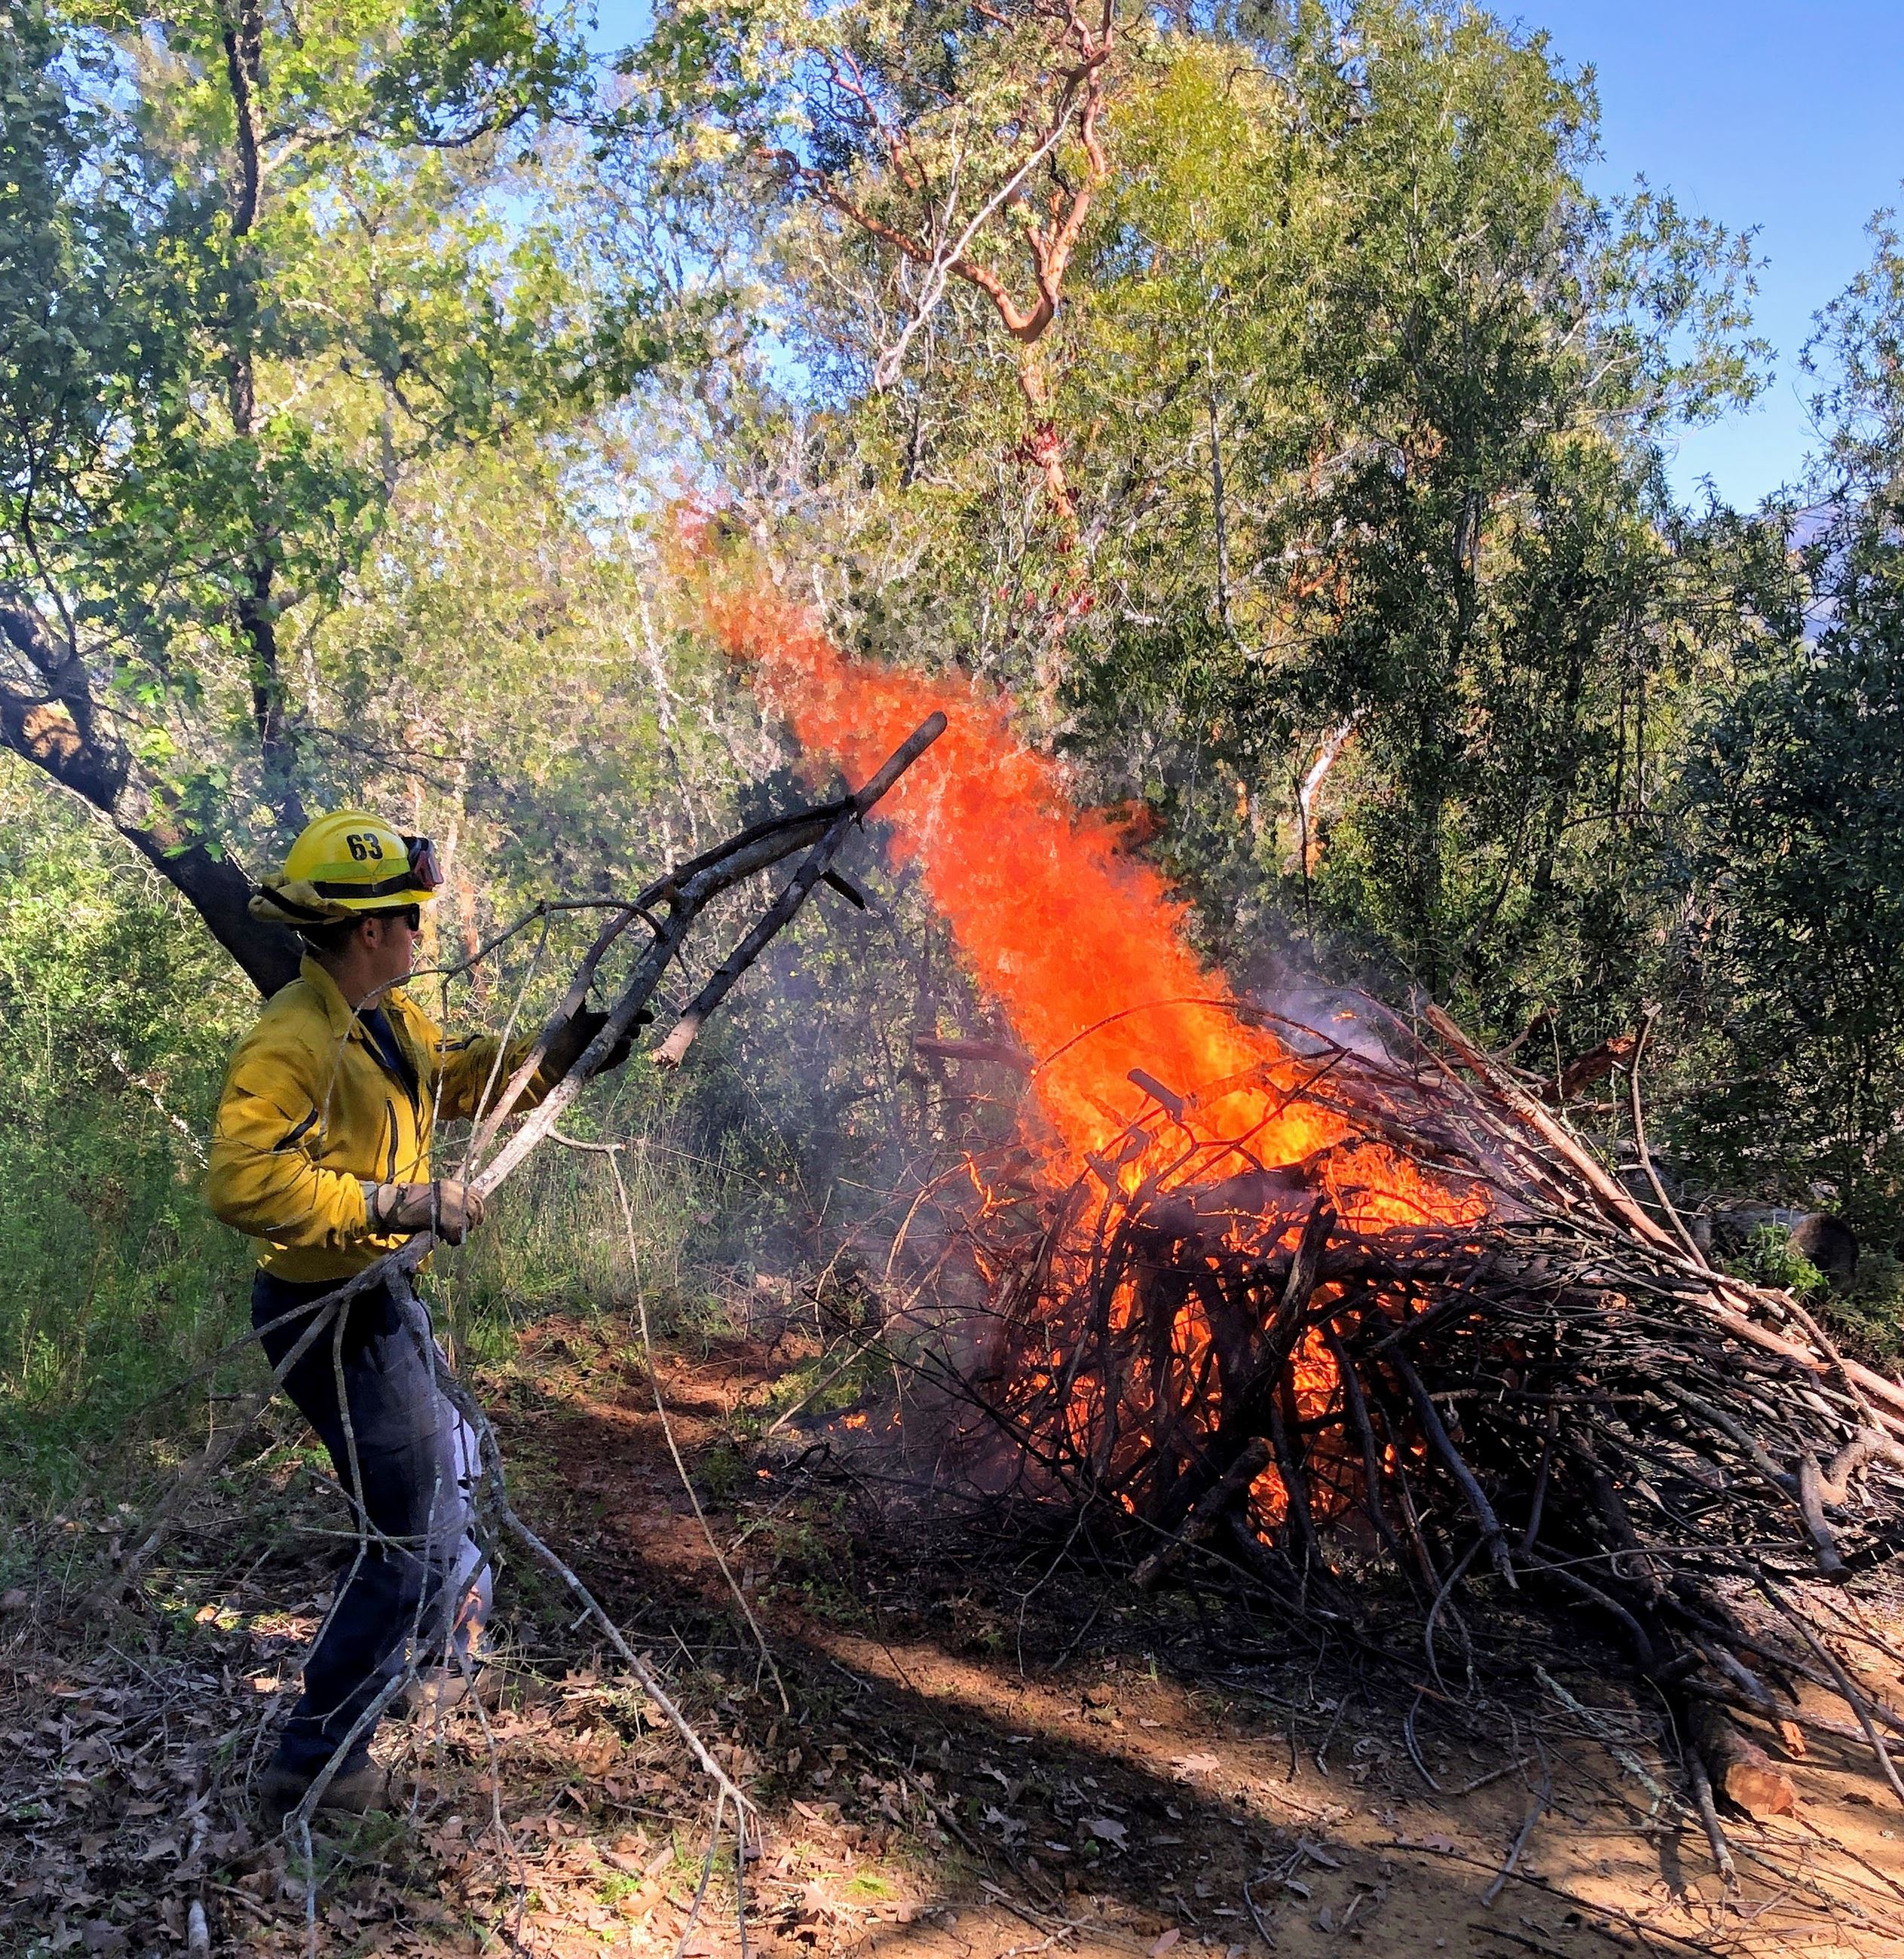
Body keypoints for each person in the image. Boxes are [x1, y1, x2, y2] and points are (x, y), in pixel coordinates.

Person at [206, 809, 629, 1823]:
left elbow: (454, 1079)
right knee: (412, 1540)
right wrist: (387, 1204)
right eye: (408, 917)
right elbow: (239, 1179)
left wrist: (560, 1051)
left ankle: (439, 1660)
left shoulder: (384, 1017)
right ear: (367, 932)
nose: (419, 932)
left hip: (379, 1294)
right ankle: (318, 1757)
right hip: (329, 1314)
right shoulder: (294, 1037)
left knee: (456, 1468)